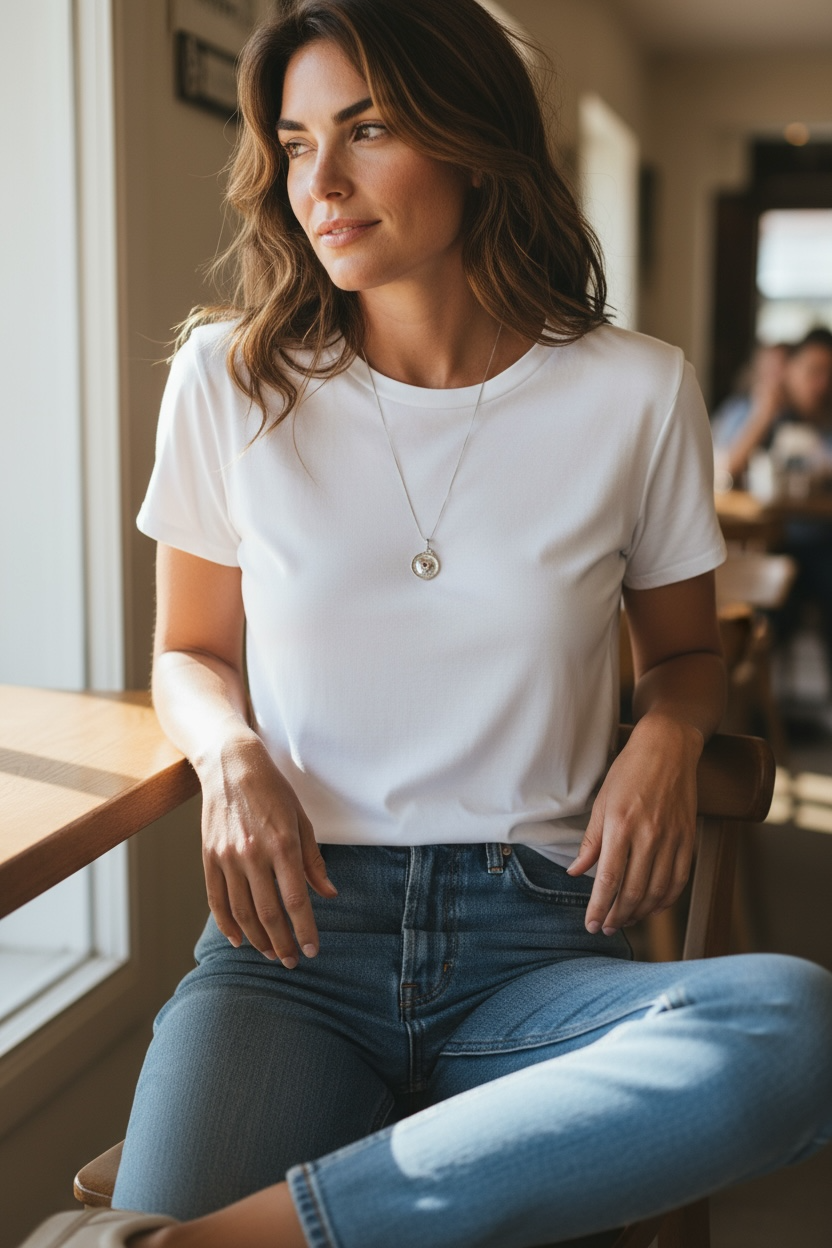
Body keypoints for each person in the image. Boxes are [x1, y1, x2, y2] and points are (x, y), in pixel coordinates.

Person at [20, 3, 832, 1247]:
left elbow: (680, 656)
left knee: (794, 1029)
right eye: (293, 143)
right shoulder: (230, 382)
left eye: (368, 129)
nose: (321, 183)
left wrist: (667, 735)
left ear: (471, 140)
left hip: (541, 948)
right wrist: (231, 757)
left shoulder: (635, 390)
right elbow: (189, 653)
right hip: (292, 945)